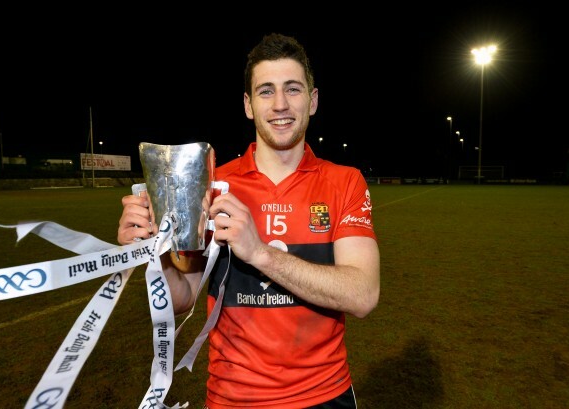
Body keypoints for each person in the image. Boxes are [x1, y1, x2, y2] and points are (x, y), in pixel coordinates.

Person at [117, 32, 380, 409]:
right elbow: (182, 298)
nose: (280, 105)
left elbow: (363, 295)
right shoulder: (212, 186)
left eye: (293, 89)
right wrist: (152, 255)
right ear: (248, 105)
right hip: (233, 398)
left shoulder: (344, 181)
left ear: (313, 100)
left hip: (325, 395)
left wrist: (260, 253)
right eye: (266, 91)